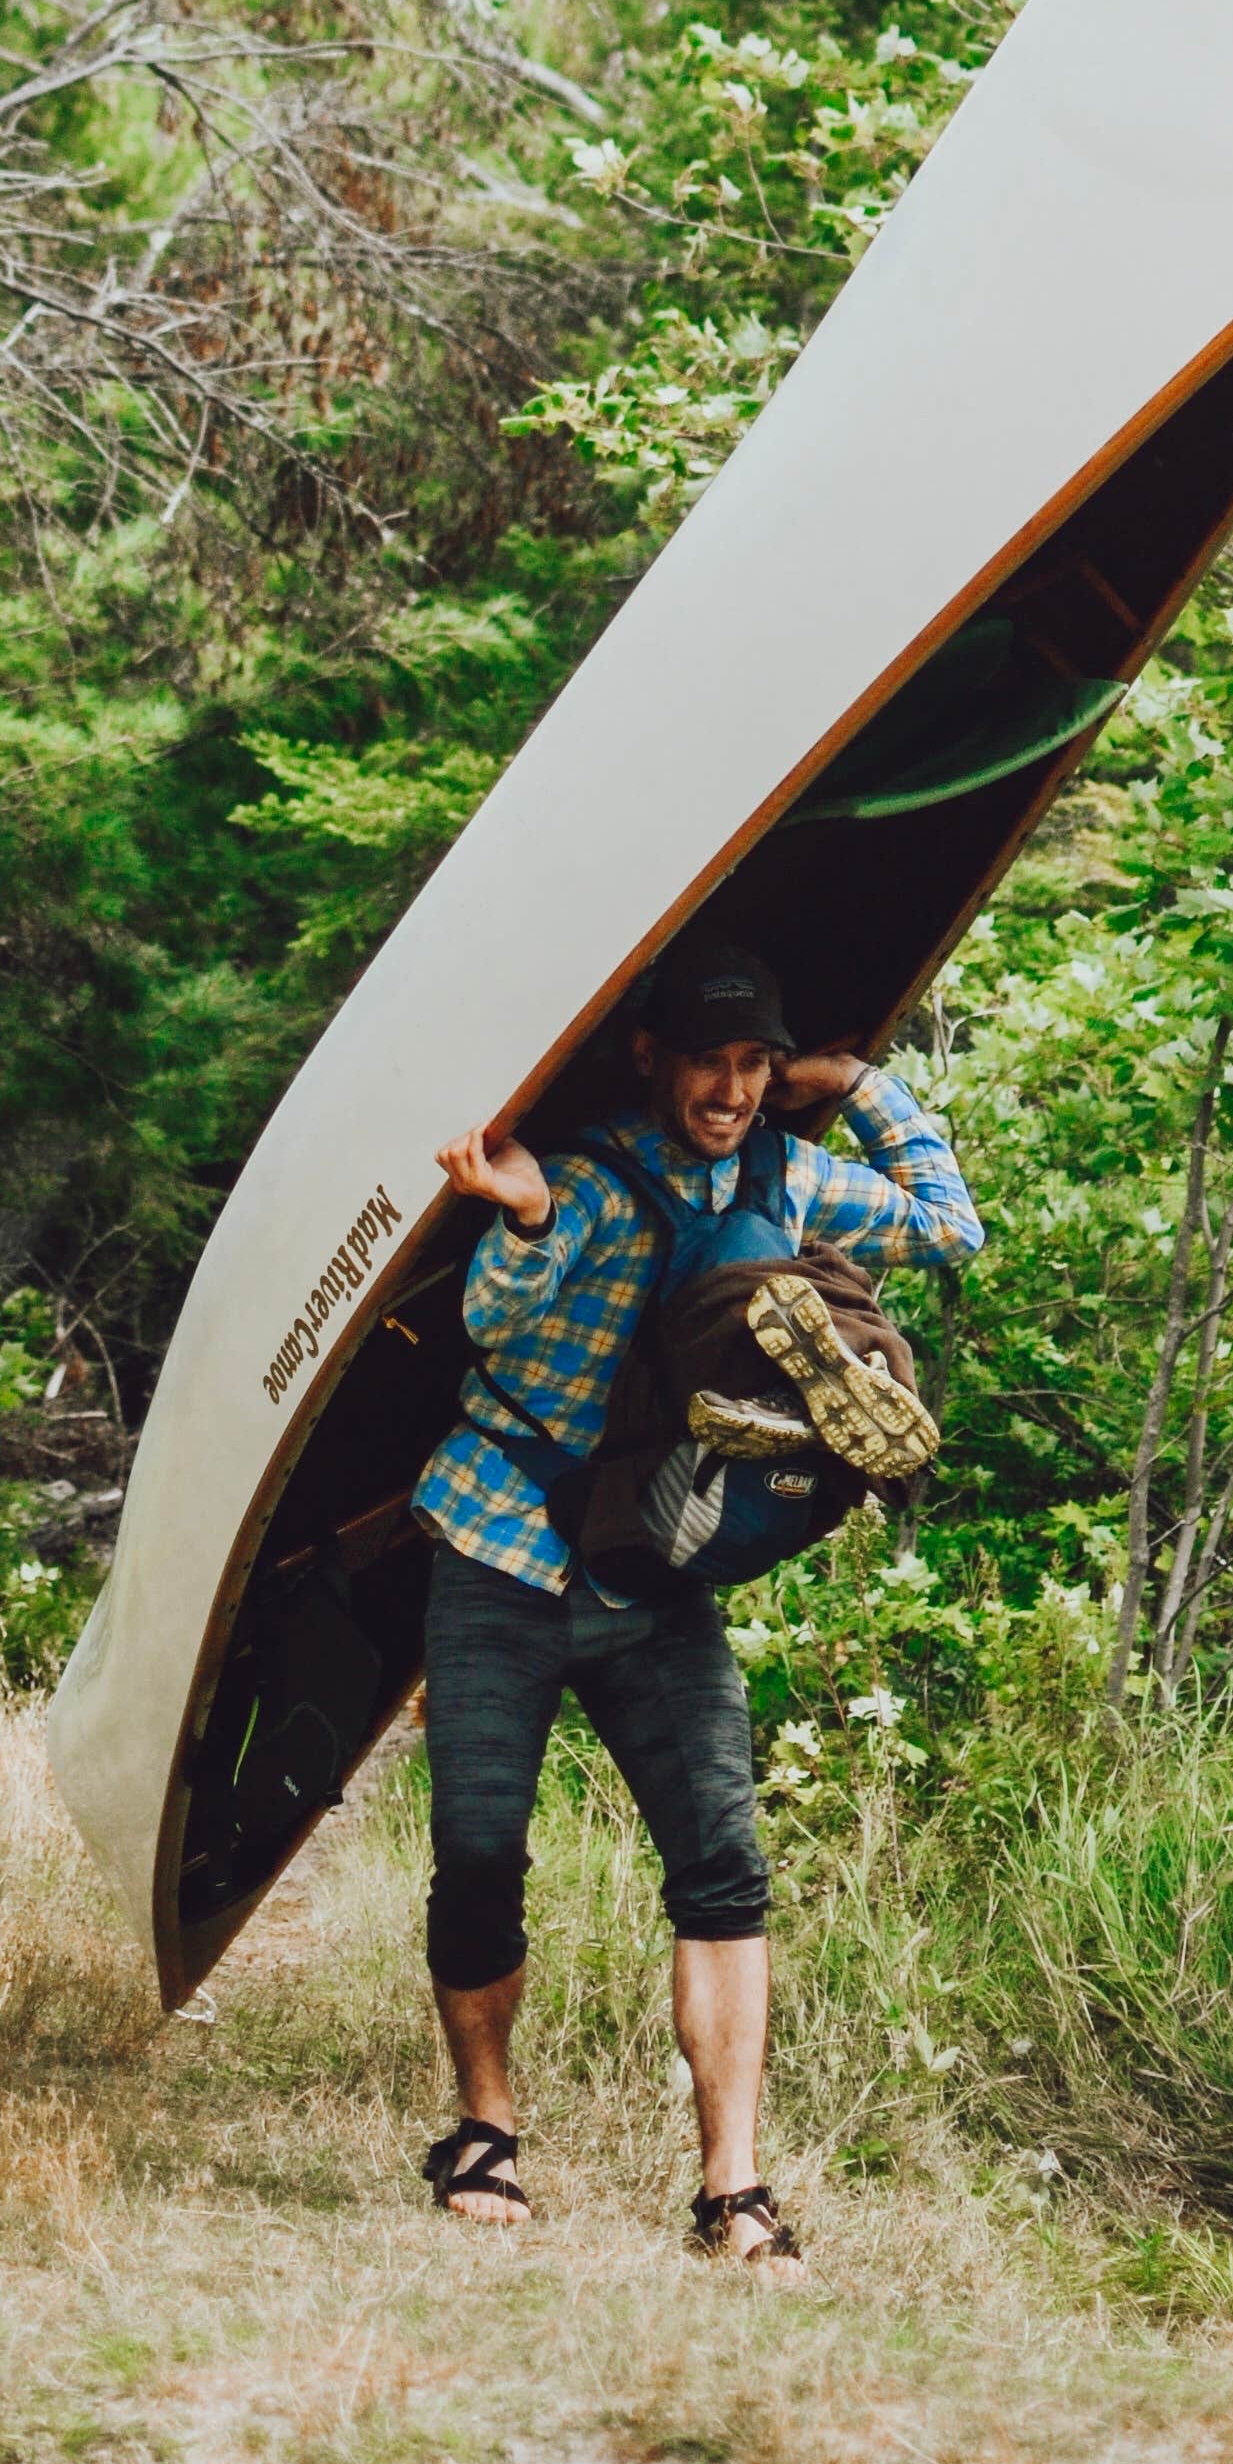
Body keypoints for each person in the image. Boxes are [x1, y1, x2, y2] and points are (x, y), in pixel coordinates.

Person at [414, 937, 983, 2269]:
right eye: (708, 1062)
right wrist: (528, 1211)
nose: (730, 1089)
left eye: (753, 1064)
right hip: (498, 1545)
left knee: (723, 1866)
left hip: (653, 1571)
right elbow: (494, 1324)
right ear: (649, 1057)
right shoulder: (599, 1181)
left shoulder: (789, 1176)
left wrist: (861, 1086)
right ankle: (484, 2130)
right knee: (482, 1850)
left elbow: (950, 1230)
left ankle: (733, 2188)